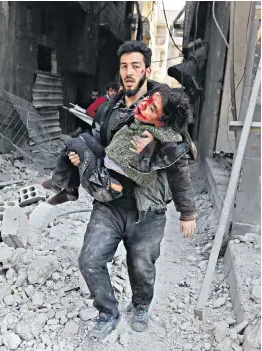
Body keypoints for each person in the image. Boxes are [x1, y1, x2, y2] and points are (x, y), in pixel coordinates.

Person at [53, 40, 197, 343]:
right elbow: (99, 147)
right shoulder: (108, 109)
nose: (129, 72)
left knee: (142, 265)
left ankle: (141, 305)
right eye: (124, 67)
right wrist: (83, 162)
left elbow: (180, 162)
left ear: (146, 69)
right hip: (110, 203)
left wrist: (187, 212)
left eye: (135, 66)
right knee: (89, 259)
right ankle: (108, 311)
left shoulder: (166, 106)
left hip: (148, 209)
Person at [42, 84, 193, 206]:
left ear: (161, 123)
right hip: (107, 159)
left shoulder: (162, 136)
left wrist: (154, 141)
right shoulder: (142, 118)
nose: (143, 104)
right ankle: (70, 188)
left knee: (72, 143)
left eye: (152, 108)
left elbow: (178, 141)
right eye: (148, 98)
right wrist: (125, 93)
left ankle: (58, 183)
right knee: (83, 138)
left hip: (107, 182)